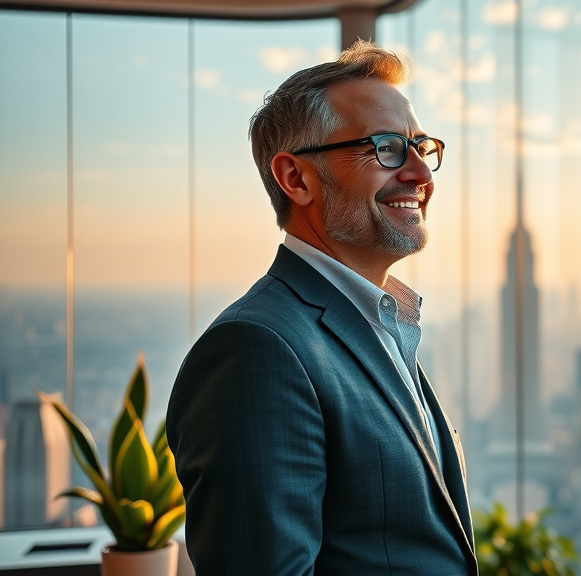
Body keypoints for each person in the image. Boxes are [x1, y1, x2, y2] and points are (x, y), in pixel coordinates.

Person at [166, 41, 476, 575]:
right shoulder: (258, 350)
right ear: (296, 179)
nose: (421, 175)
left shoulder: (380, 325)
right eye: (386, 148)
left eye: (421, 147)